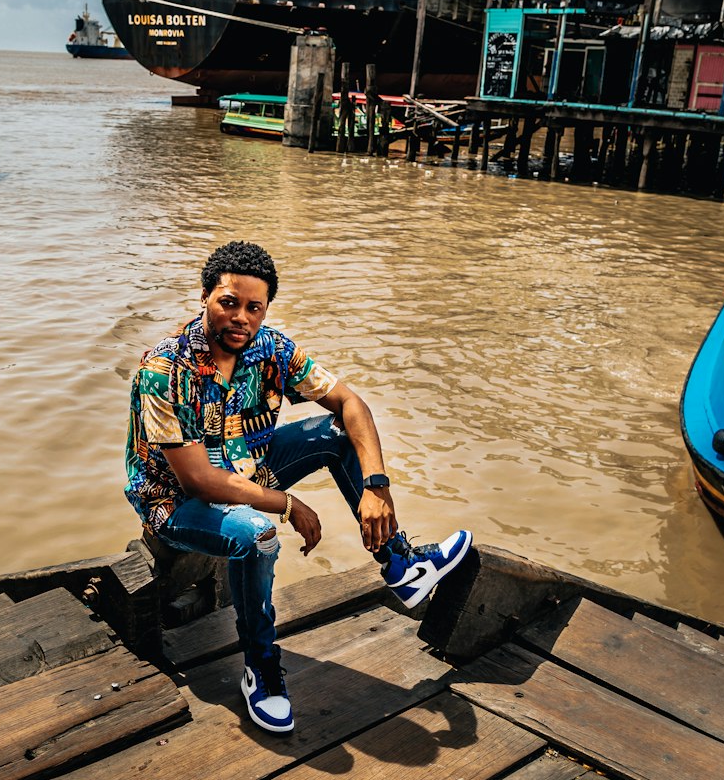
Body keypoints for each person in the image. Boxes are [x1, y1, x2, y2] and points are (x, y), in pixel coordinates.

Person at [124, 240, 472, 735]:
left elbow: (350, 403)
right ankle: (262, 668)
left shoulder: (272, 349)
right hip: (173, 501)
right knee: (256, 535)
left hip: (248, 465)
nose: (240, 317)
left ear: (265, 309)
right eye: (228, 302)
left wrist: (377, 487)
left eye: (254, 307)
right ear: (204, 297)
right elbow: (199, 481)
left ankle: (401, 563)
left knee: (336, 434)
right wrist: (287, 504)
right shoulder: (164, 370)